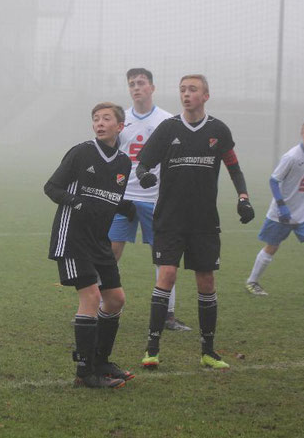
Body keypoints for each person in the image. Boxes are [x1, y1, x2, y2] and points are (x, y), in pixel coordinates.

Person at [135, 74, 255, 370]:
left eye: (192, 90)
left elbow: (234, 168)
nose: (186, 95)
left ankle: (208, 351)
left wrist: (243, 198)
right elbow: (143, 163)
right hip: (169, 218)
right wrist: (144, 175)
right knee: (167, 276)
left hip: (203, 221)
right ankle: (152, 350)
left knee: (207, 281)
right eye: (182, 90)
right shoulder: (168, 128)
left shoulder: (218, 130)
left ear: (206, 95)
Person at [44, 102, 138, 389]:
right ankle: (85, 373)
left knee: (116, 300)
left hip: (99, 241)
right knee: (92, 297)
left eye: (106, 119)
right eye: (95, 119)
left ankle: (102, 361)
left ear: (119, 126)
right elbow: (52, 187)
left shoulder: (123, 163)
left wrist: (126, 207)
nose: (99, 123)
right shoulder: (81, 152)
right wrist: (77, 201)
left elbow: (107, 198)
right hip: (72, 237)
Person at [108, 68, 191, 332]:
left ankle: (167, 314)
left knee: (163, 258)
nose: (136, 87)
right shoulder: (120, 120)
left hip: (156, 200)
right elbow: (109, 156)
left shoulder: (167, 121)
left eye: (141, 83)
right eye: (132, 83)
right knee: (109, 252)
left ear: (152, 88)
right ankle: (100, 306)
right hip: (124, 199)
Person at [245, 119, 304, 300]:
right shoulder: (291, 157)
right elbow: (273, 180)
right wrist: (282, 206)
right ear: (301, 134)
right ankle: (252, 281)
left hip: (303, 212)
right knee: (272, 247)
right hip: (282, 213)